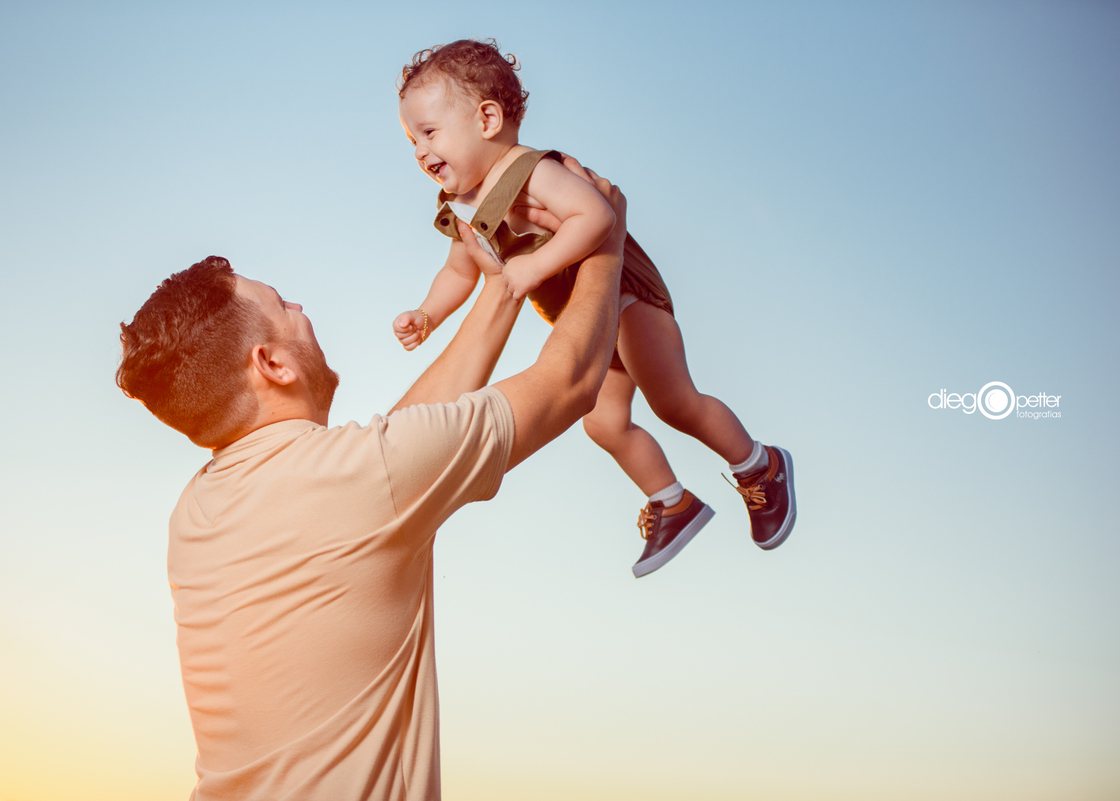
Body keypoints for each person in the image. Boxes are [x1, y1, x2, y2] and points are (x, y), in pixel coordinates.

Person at [116, 160, 625, 800]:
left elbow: (402, 448)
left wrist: (501, 288)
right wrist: (606, 232)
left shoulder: (199, 511)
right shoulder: (362, 479)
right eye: (282, 305)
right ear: (270, 363)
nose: (299, 307)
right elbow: (572, 381)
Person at [392, 39, 797, 578]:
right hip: (588, 318)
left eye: (428, 132)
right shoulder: (465, 207)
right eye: (410, 140)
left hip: (625, 296)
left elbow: (596, 216)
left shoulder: (530, 170)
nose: (419, 151)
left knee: (674, 401)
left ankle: (760, 466)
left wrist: (535, 268)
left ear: (487, 118)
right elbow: (460, 271)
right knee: (603, 423)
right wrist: (428, 313)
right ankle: (673, 504)